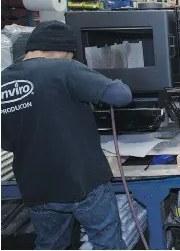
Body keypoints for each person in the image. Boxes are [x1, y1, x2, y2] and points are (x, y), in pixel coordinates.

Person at [1, 21, 132, 250]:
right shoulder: (64, 68)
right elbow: (121, 95)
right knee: (107, 244)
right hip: (83, 182)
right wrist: (113, 79)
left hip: (37, 188)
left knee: (50, 245)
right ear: (63, 51)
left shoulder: (3, 80)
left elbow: (7, 142)